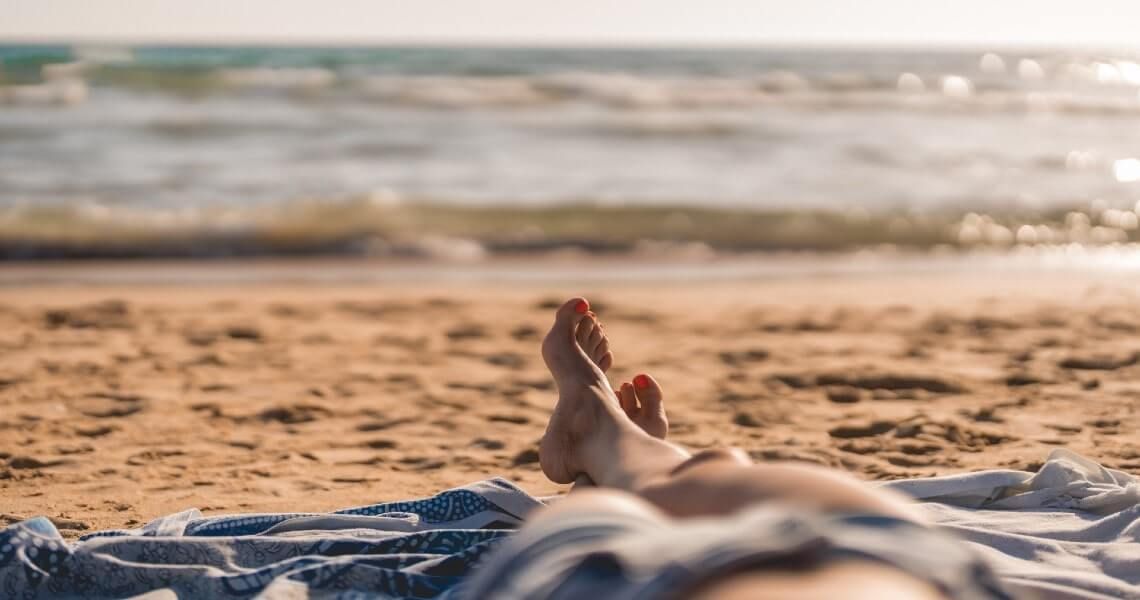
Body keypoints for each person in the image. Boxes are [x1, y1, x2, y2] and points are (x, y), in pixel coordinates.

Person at [462, 298, 1012, 600]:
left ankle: (605, 447)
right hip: (911, 571)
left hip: (616, 585)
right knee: (716, 467)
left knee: (609, 508)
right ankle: (609, 447)